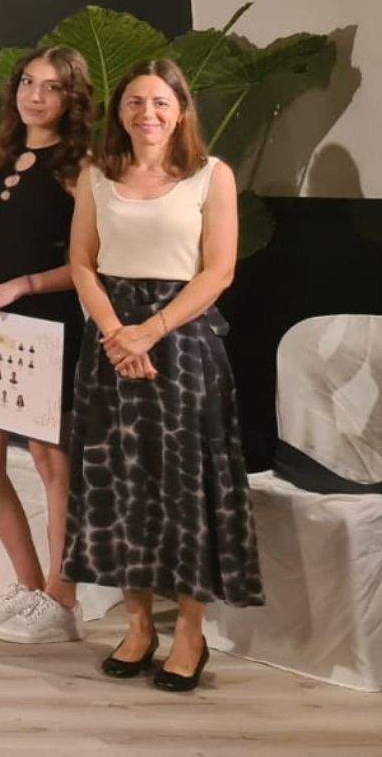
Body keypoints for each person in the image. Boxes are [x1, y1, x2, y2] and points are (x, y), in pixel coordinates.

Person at [65, 59, 259, 693]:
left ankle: (190, 635)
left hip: (183, 342)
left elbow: (219, 270)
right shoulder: (96, 175)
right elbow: (83, 263)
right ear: (119, 111)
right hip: (111, 345)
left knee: (185, 490)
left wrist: (150, 331)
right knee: (123, 486)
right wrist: (115, 334)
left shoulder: (211, 175)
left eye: (159, 102)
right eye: (134, 102)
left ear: (180, 110)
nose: (146, 113)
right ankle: (139, 626)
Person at [0, 45, 94, 646]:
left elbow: (89, 263)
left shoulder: (82, 165)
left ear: (71, 98)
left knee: (51, 461)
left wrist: (22, 286)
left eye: (52, 87)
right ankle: (29, 585)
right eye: (28, 83)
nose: (36, 96)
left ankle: (63, 601)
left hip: (47, 318)